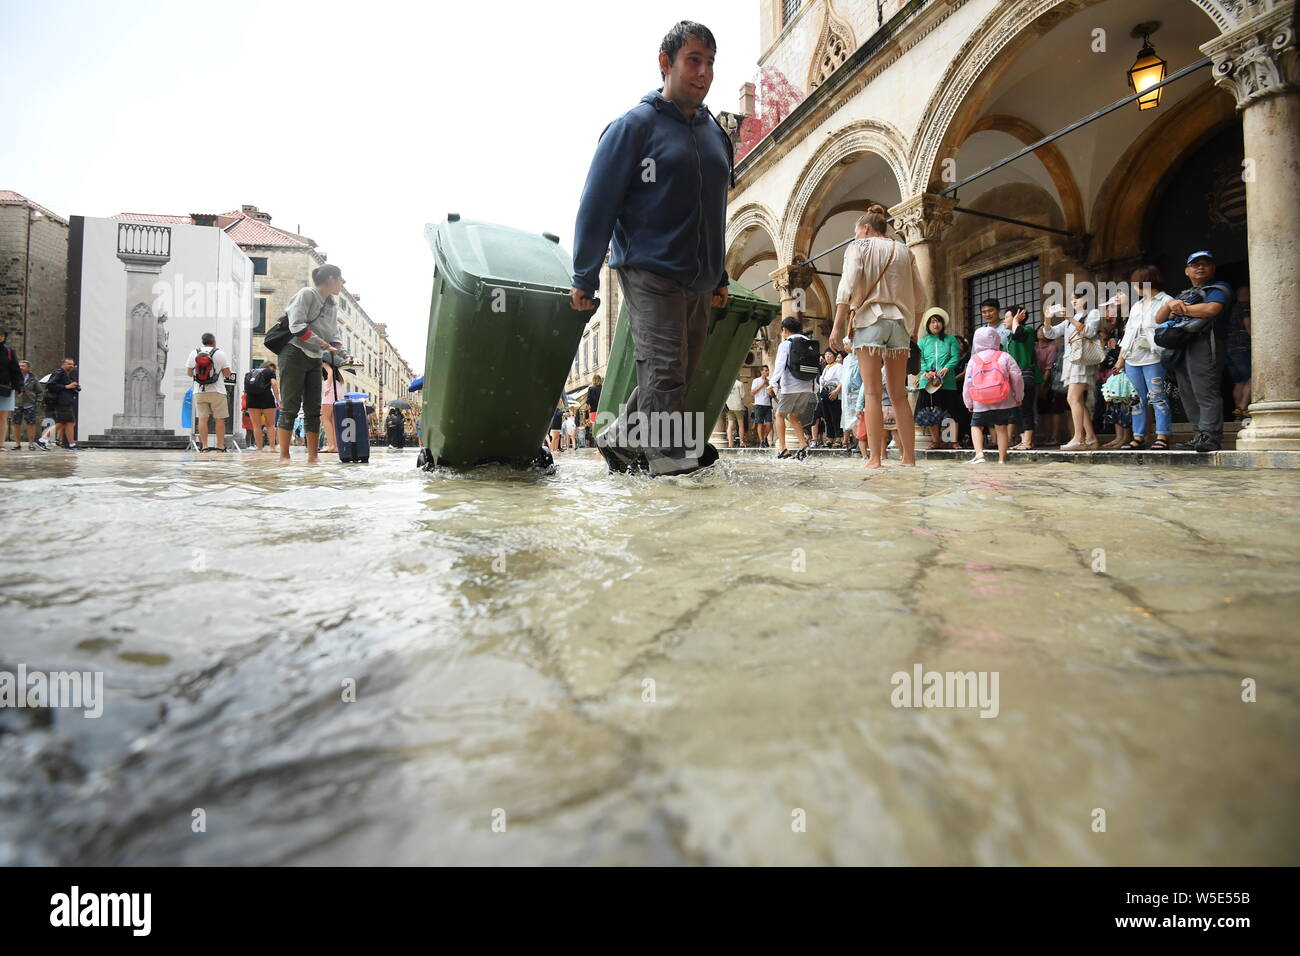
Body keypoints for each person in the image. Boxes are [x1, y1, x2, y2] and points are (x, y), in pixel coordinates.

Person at [570, 21, 728, 477]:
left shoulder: (716, 133)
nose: (703, 72)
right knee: (665, 374)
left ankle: (620, 440)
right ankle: (669, 469)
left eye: (710, 63)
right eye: (693, 60)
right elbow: (597, 203)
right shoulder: (634, 127)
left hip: (698, 276)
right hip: (649, 268)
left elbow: (716, 208)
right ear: (666, 63)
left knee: (677, 371)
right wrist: (583, 276)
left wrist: (719, 275)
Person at [827, 204, 927, 469]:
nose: (856, 237)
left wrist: (836, 327)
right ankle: (909, 458)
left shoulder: (858, 248)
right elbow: (921, 297)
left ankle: (874, 459)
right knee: (899, 394)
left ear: (866, 228)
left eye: (857, 232)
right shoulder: (905, 251)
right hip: (899, 324)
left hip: (870, 321)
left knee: (871, 392)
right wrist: (913, 329)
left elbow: (846, 288)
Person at [1157, 251, 1233, 453]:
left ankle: (1210, 435)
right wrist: (1169, 304)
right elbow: (1158, 318)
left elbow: (1211, 310)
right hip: (1182, 345)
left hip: (1206, 343)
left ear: (1213, 268)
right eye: (1195, 264)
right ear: (1186, 270)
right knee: (1187, 392)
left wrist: (1181, 309)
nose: (1200, 267)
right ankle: (1199, 434)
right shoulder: (1182, 294)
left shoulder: (1219, 288)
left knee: (1205, 390)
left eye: (1206, 264)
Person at [278, 264, 347, 464]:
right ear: (331, 278)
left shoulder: (332, 304)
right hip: (294, 352)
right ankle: (284, 456)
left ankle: (313, 456)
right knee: (290, 405)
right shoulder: (307, 294)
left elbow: (334, 334)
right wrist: (324, 344)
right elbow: (296, 325)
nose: (342, 283)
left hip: (315, 357)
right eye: (340, 279)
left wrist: (342, 352)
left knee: (313, 407)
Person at [1114, 266, 1173, 450]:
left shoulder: (1166, 300)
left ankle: (1162, 435)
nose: (1133, 286)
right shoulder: (1137, 306)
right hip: (1133, 358)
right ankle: (1138, 436)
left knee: (1157, 396)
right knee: (1137, 400)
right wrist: (1121, 358)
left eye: (1135, 282)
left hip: (1154, 356)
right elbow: (1128, 334)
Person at [1041, 293, 1102, 450]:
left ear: (1087, 299)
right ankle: (1090, 438)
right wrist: (1047, 319)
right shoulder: (1071, 318)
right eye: (1072, 299)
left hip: (1082, 360)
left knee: (1073, 399)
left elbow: (1089, 332)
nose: (1074, 301)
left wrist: (1070, 318)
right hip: (1071, 361)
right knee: (1078, 401)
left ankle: (1078, 438)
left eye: (1078, 298)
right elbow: (1050, 333)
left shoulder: (1093, 313)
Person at [963, 326, 1024, 464]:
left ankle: (980, 455)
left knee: (976, 426)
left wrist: (969, 402)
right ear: (996, 339)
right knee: (1001, 427)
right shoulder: (1004, 356)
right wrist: (1018, 396)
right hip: (1004, 399)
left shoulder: (974, 359)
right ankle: (1002, 459)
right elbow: (1017, 377)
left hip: (980, 401)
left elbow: (968, 383)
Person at [916, 308, 962, 450]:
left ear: (943, 324)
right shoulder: (923, 342)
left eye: (938, 321)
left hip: (947, 382)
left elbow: (955, 357)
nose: (935, 325)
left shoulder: (950, 339)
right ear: (928, 325)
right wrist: (926, 372)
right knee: (930, 412)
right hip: (928, 383)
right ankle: (936, 441)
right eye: (932, 322)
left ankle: (951, 440)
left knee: (950, 411)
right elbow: (920, 359)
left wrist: (947, 368)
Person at [771, 316, 815, 460]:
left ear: (785, 330)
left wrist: (773, 383)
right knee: (793, 415)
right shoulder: (809, 342)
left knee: (780, 415)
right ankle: (803, 444)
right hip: (807, 385)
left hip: (791, 386)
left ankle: (783, 448)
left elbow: (779, 365)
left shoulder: (786, 344)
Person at [186, 332, 234, 452]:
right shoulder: (220, 353)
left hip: (199, 391)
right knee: (220, 419)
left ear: (203, 341)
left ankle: (205, 447)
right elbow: (227, 374)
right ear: (214, 342)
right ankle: (220, 446)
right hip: (217, 391)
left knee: (202, 419)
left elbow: (189, 373)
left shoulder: (194, 353)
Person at [1003, 306, 1041, 450]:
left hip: (1025, 376)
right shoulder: (1008, 338)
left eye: (1007, 317)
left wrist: (1016, 321)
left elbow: (1018, 334)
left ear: (1019, 317)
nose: (1004, 320)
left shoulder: (1028, 331)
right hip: (1012, 378)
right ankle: (1023, 439)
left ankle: (1028, 441)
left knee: (1026, 408)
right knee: (1016, 410)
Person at [1223, 284, 1251, 420]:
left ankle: (1237, 413)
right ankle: (1243, 408)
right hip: (1243, 347)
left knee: (1239, 382)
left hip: (1229, 348)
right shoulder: (1245, 306)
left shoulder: (1231, 309)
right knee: (1252, 378)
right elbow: (1248, 324)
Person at [43, 358, 81, 449]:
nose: (71, 366)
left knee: (68, 422)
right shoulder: (59, 372)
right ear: (63, 364)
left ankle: (72, 444)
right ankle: (42, 440)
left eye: (72, 364)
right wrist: (67, 386)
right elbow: (50, 385)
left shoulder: (66, 375)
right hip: (62, 402)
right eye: (69, 364)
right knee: (63, 423)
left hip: (66, 402)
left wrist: (74, 387)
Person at [244, 361, 279, 452]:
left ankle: (259, 448)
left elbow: (246, 389)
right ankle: (272, 448)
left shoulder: (250, 373)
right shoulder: (270, 372)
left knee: (256, 426)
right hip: (266, 398)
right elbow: (274, 384)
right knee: (271, 425)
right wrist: (278, 400)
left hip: (251, 400)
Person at [8, 359, 40, 450]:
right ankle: (17, 444)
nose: (21, 367)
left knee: (31, 424)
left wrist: (37, 402)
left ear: (28, 368)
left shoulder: (33, 378)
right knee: (15, 424)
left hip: (30, 404)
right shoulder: (13, 377)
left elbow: (40, 391)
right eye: (19, 366)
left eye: (23, 366)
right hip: (16, 403)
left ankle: (31, 444)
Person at [0, 328, 21, 450]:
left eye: (2, 335)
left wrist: (19, 386)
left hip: (5, 387)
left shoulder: (9, 351)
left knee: (2, 417)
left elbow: (15, 369)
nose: (0, 337)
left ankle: (0, 444)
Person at [319, 360, 346, 453]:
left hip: (330, 391)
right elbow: (342, 381)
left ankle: (331, 445)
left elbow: (329, 372)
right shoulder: (335, 366)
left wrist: (327, 387)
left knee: (325, 418)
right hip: (338, 392)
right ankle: (335, 446)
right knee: (333, 421)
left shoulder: (324, 362)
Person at [819, 349, 844, 448]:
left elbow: (842, 380)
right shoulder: (826, 368)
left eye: (829, 354)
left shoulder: (838, 366)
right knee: (827, 418)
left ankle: (838, 438)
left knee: (836, 417)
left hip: (834, 394)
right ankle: (830, 438)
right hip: (825, 395)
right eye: (826, 355)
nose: (827, 356)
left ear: (834, 355)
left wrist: (836, 391)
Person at [751, 364, 773, 447]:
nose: (767, 372)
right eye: (766, 371)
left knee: (769, 424)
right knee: (759, 423)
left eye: (768, 371)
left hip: (767, 405)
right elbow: (752, 392)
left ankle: (764, 438)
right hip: (759, 405)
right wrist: (762, 385)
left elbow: (771, 394)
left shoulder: (769, 381)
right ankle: (761, 441)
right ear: (761, 372)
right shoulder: (756, 381)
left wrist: (768, 386)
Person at [724, 376, 749, 447]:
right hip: (738, 406)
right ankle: (741, 442)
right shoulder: (739, 383)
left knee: (730, 425)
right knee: (741, 425)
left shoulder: (726, 384)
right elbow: (742, 395)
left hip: (729, 406)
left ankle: (730, 443)